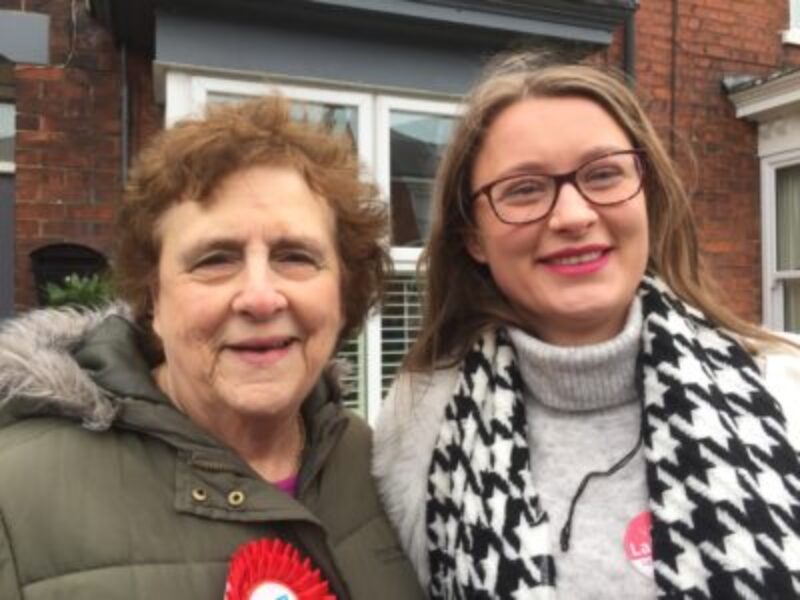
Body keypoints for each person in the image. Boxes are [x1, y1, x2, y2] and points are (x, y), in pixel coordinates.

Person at [373, 51, 800, 600]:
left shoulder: (785, 389)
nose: (573, 216)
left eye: (603, 174)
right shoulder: (415, 429)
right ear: (473, 237)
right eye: (524, 189)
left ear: (647, 195)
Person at [0, 96, 424, 600]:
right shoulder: (14, 497)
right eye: (215, 259)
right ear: (154, 297)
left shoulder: (379, 465)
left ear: (343, 291)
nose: (261, 297)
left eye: (295, 256)